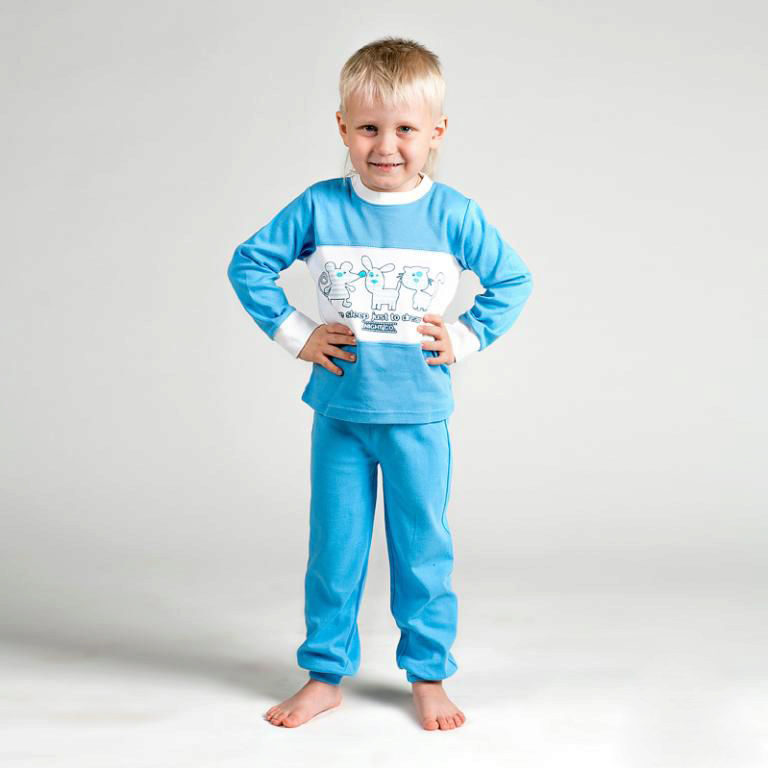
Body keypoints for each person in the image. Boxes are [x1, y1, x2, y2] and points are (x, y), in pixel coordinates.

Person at [227, 36, 533, 730]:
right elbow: (250, 264)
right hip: (340, 413)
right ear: (343, 128)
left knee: (422, 550)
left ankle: (428, 675)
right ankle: (324, 674)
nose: (386, 146)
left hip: (419, 417)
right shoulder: (320, 206)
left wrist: (464, 336)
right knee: (335, 551)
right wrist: (297, 333)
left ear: (436, 132)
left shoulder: (453, 214)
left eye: (404, 130)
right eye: (368, 127)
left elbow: (512, 280)